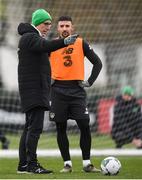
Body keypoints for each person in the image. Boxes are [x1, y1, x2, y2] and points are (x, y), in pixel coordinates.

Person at [17, 9, 78, 174]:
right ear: (37, 22)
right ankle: (32, 165)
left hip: (33, 90)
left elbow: (45, 48)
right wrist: (64, 42)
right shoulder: (30, 37)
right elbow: (46, 45)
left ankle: (23, 165)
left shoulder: (31, 38)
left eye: (50, 25)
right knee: (35, 128)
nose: (48, 27)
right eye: (46, 24)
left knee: (29, 127)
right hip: (34, 90)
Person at [49, 16, 102, 173]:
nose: (65, 28)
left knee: (84, 125)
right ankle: (67, 164)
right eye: (62, 26)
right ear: (57, 28)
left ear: (72, 28)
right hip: (57, 91)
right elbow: (40, 65)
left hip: (77, 91)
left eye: (67, 26)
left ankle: (87, 163)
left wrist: (90, 81)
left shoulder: (81, 43)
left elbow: (98, 63)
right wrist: (47, 79)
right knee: (60, 127)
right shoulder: (51, 45)